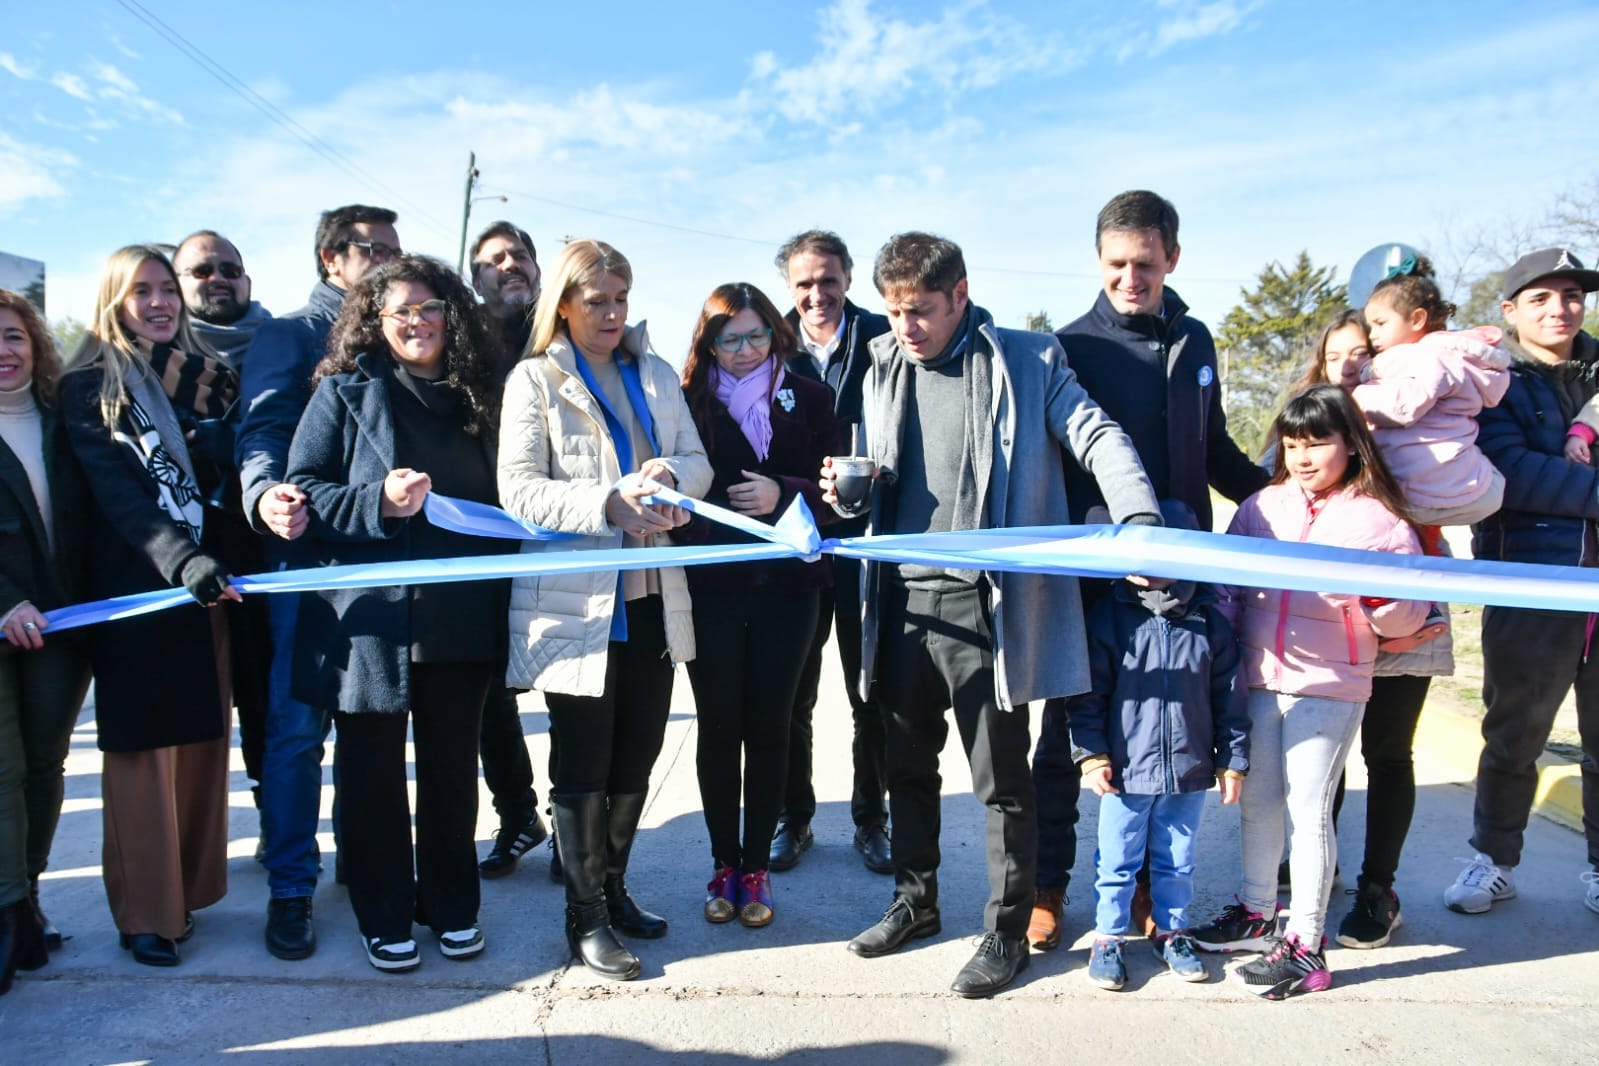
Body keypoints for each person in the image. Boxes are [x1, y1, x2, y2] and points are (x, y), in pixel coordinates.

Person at [822, 231, 1160, 999]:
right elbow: (868, 482)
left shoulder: (1027, 359)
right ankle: (915, 901)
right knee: (905, 768)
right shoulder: (880, 365)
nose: (906, 327)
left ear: (960, 296)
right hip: (900, 599)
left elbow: (1095, 433)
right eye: (894, 311)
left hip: (985, 605)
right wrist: (847, 491)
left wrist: (1137, 519)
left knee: (1002, 784)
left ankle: (1005, 931)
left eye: (921, 311)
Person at [1029, 190, 1268, 951]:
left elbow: (1215, 449)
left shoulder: (1195, 341)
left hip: (1184, 575)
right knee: (1070, 734)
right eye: (1114, 266)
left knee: (1162, 727)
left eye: (1144, 264)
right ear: (1098, 262)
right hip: (1101, 573)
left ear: (1171, 257)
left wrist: (1287, 501)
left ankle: (1135, 887)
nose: (1129, 278)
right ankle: (1046, 882)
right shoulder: (1066, 346)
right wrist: (1117, 542)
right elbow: (1061, 472)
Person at [287, 254, 513, 973]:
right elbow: (304, 492)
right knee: (372, 778)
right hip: (369, 626)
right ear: (375, 323)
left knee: (451, 773)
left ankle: (452, 906)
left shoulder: (485, 395)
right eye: (399, 312)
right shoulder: (343, 393)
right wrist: (377, 502)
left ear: (453, 313)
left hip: (462, 618)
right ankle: (382, 914)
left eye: (429, 307)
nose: (416, 321)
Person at [498, 239, 711, 980]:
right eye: (597, 301)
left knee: (637, 756)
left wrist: (670, 478)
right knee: (583, 763)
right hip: (576, 606)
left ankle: (614, 888)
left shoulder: (651, 373)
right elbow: (518, 489)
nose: (613, 313)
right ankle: (582, 915)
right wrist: (605, 503)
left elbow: (698, 461)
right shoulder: (534, 379)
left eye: (621, 297)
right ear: (564, 303)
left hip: (653, 597)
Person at [1193, 385, 1426, 1000]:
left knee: (1307, 809)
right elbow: (1229, 588)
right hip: (1260, 677)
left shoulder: (1380, 520)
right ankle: (1256, 911)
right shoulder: (1260, 508)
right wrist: (1219, 626)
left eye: (1317, 441)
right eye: (1291, 443)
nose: (1301, 455)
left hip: (1330, 684)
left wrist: (1375, 597)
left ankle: (1308, 944)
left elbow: (1407, 615)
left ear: (1351, 443)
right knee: (1259, 800)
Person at [60, 245, 241, 968]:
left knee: (197, 746)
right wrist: (184, 561)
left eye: (169, 288)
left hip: (200, 590)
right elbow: (119, 495)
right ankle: (145, 915)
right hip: (136, 591)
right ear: (112, 299)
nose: (162, 301)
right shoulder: (86, 385)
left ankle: (188, 894)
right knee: (140, 754)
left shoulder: (182, 380)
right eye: (143, 291)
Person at [235, 204, 400, 960]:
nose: (389, 261)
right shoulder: (290, 335)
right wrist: (265, 496)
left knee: (372, 735)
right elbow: (263, 429)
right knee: (298, 732)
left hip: (377, 563)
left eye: (396, 251)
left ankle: (367, 871)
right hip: (304, 561)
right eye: (373, 251)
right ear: (331, 259)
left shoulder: (395, 343)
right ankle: (291, 889)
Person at [1282, 311, 1455, 951]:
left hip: (1407, 625)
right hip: (1333, 633)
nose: (1352, 366)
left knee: (1385, 753)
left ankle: (1378, 889)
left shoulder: (1417, 430)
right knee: (1321, 760)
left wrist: (1414, 608)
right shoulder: (1312, 441)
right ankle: (1311, 875)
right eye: (1338, 357)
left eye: (1364, 354)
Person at [679, 282, 840, 928]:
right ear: (708, 342)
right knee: (718, 726)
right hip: (710, 589)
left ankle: (756, 868)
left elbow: (838, 498)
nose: (743, 351)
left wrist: (785, 491)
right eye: (728, 338)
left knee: (772, 725)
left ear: (776, 334)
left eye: (755, 335)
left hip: (788, 591)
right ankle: (722, 862)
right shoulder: (687, 405)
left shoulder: (812, 397)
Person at [1450, 247, 1599, 918]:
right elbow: (1511, 474)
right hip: (1531, 585)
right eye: (1540, 297)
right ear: (1510, 312)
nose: (1559, 308)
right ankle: (1492, 861)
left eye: (1570, 295)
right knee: (1514, 733)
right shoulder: (1493, 381)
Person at [1069, 502, 1249, 991]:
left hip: (1189, 770)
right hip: (1125, 770)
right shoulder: (1109, 617)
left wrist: (1232, 760)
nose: (1147, 567)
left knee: (1177, 856)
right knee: (1117, 859)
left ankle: (1171, 931)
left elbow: (1229, 696)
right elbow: (1088, 695)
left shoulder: (1209, 621)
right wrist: (1091, 754)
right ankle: (1107, 937)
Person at [774, 230, 894, 875]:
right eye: (804, 284)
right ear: (788, 290)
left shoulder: (882, 341)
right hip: (796, 546)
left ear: (848, 278)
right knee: (794, 694)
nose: (817, 294)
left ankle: (871, 819)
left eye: (828, 280)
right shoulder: (772, 346)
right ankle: (793, 819)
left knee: (868, 690)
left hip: (867, 547)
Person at [173, 228, 274, 867]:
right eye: (201, 270)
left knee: (266, 702)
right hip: (176, 564)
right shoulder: (147, 360)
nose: (218, 278)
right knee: (189, 710)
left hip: (264, 558)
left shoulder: (280, 345)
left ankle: (273, 821)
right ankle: (184, 851)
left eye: (229, 268)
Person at [0, 290, 91, 995]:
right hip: (2, 622)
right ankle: (7, 916)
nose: (3, 353)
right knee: (0, 774)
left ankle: (27, 895)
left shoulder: (66, 423)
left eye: (12, 336)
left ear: (34, 342)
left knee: (44, 765)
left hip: (61, 627)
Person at [466, 220, 550, 879]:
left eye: (519, 254)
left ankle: (581, 827)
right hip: (490, 533)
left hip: (568, 527)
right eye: (494, 260)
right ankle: (518, 813)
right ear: (476, 280)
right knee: (491, 686)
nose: (509, 266)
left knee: (577, 683)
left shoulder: (565, 331)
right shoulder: (465, 346)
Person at [1353, 255, 1510, 541]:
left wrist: (1357, 397)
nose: (1372, 335)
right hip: (1469, 479)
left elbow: (1402, 408)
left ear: (1417, 319)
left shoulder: (1427, 357)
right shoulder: (1456, 355)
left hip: (1423, 483)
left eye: (1380, 323)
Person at [172, 230, 273, 365]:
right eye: (202, 271)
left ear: (248, 283)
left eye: (230, 271)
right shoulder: (155, 357)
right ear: (175, 285)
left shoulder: (289, 344)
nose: (217, 279)